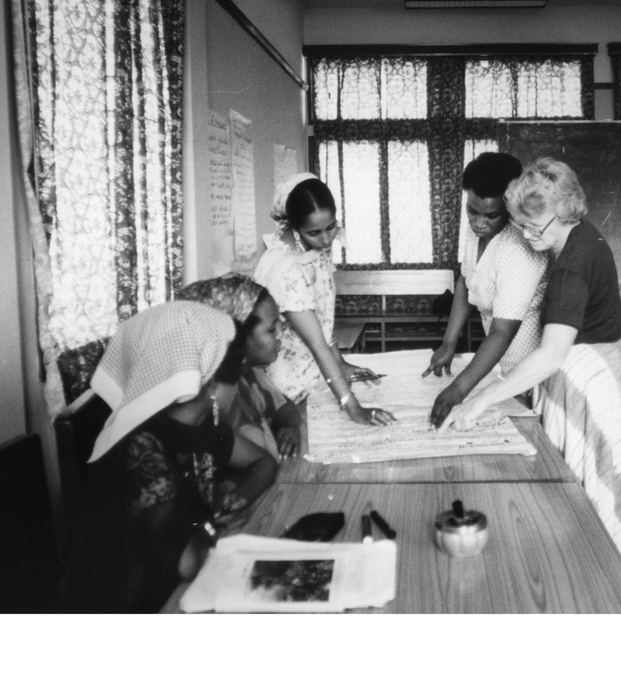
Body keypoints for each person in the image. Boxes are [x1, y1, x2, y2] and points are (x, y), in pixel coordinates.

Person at [441, 158, 621, 576]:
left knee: (601, 491)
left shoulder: (572, 264)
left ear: (567, 208)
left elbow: (551, 354)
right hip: (587, 369)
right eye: (523, 226)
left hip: (590, 380)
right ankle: (582, 573)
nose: (530, 236)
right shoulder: (579, 239)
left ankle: (615, 590)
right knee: (582, 485)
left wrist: (480, 401)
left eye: (537, 226)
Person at [62, 301, 278, 612]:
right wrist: (211, 527)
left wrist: (239, 497)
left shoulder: (193, 425)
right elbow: (187, 564)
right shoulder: (141, 447)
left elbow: (263, 462)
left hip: (175, 593)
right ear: (215, 386)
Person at [253, 173, 395, 426]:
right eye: (315, 232)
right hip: (286, 389)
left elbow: (323, 318)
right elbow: (317, 343)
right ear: (295, 228)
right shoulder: (286, 270)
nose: (327, 239)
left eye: (331, 227)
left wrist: (341, 363)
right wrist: (352, 407)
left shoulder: (313, 249)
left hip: (316, 375)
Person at [423, 152, 549, 427]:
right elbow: (465, 280)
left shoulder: (518, 248)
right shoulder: (475, 231)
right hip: (495, 362)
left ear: (510, 205)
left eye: (491, 215)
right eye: (472, 211)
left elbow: (503, 332)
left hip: (524, 365)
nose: (479, 223)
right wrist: (448, 342)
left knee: (523, 432)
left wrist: (458, 390)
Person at [178, 274, 302, 460]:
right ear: (237, 335)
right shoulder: (214, 397)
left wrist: (290, 428)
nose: (280, 335)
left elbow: (284, 406)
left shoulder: (249, 376)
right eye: (271, 329)